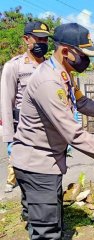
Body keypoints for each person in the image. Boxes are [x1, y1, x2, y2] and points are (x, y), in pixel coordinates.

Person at [11, 23, 94, 240]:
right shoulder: (48, 82)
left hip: (47, 163)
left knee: (52, 222)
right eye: (83, 54)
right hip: (37, 165)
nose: (87, 60)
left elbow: (82, 103)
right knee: (47, 231)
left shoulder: (63, 74)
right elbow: (72, 132)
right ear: (65, 51)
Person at [1, 21, 50, 193]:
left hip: (49, 133)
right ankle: (30, 215)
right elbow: (6, 103)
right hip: (24, 132)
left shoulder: (51, 66)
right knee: (29, 181)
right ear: (26, 39)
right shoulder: (14, 66)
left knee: (49, 178)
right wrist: (9, 138)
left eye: (45, 40)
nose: (42, 43)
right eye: (38, 39)